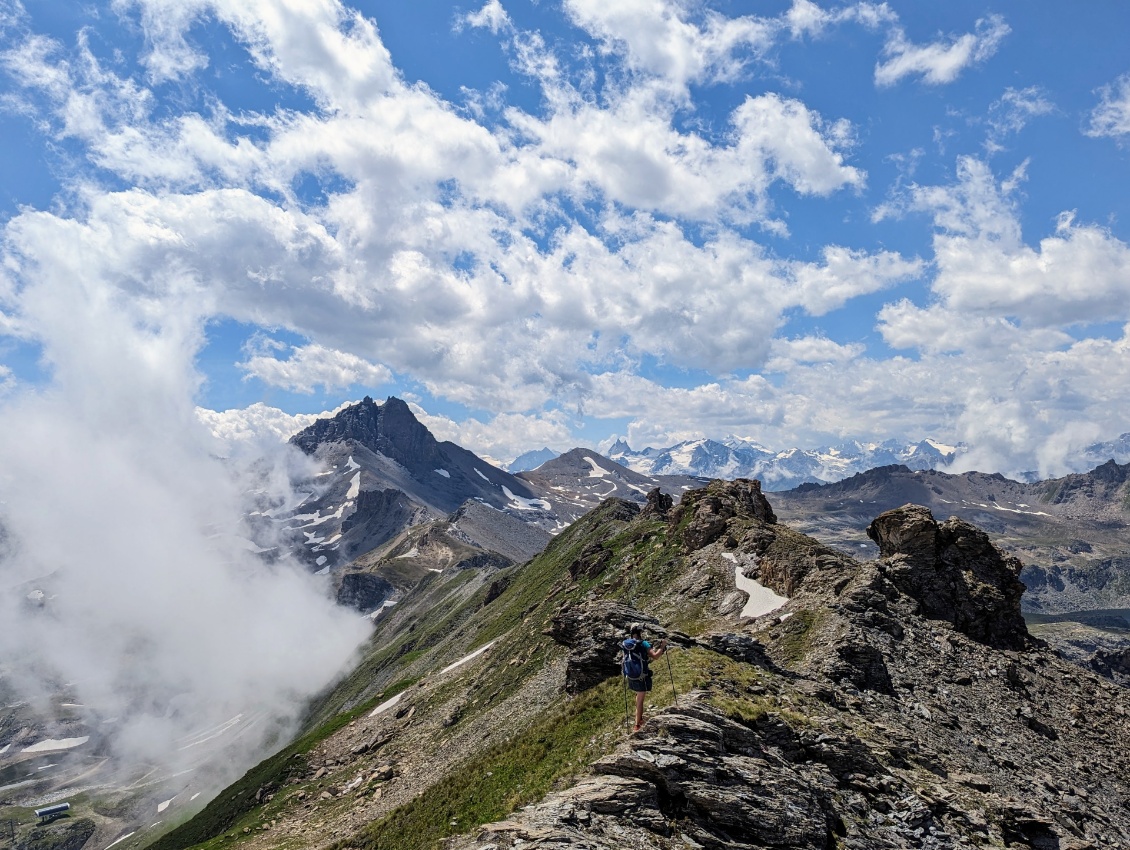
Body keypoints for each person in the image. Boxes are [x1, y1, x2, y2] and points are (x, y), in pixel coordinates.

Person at [623, 623, 667, 732]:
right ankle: (637, 725)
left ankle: (638, 718)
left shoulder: (626, 643)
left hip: (630, 675)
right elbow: (656, 656)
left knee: (638, 696)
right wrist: (662, 646)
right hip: (641, 676)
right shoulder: (643, 644)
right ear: (640, 632)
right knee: (640, 700)